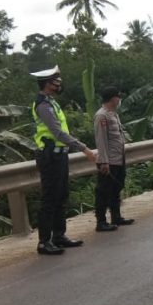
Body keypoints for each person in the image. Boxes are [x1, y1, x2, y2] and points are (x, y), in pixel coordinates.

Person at [30, 65, 97, 255]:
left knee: (61, 196)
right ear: (47, 83)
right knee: (49, 199)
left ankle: (59, 235)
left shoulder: (52, 103)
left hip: (59, 155)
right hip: (49, 156)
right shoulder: (43, 105)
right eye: (56, 80)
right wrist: (84, 148)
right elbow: (57, 132)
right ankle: (44, 242)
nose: (59, 83)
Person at [94, 86, 134, 232]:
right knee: (103, 191)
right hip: (108, 161)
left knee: (116, 188)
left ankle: (116, 217)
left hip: (118, 158)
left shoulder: (113, 114)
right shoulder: (102, 116)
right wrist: (104, 161)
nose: (120, 99)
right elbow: (101, 140)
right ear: (113, 99)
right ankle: (101, 221)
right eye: (118, 97)